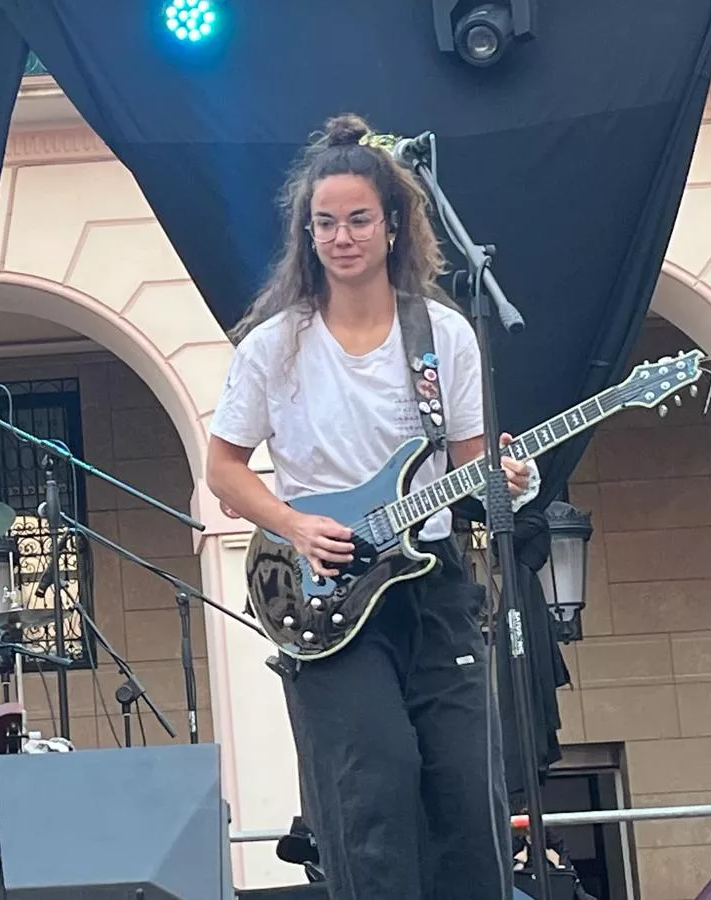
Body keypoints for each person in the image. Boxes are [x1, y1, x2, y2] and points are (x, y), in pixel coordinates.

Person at [206, 114, 538, 900]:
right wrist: (291, 524)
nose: (342, 237)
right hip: (329, 587)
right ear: (306, 233)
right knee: (375, 779)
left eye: (358, 220)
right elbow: (223, 469)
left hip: (432, 581)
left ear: (393, 225)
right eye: (325, 223)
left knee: (466, 784)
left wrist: (503, 480)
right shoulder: (275, 344)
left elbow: (468, 464)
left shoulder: (444, 336)